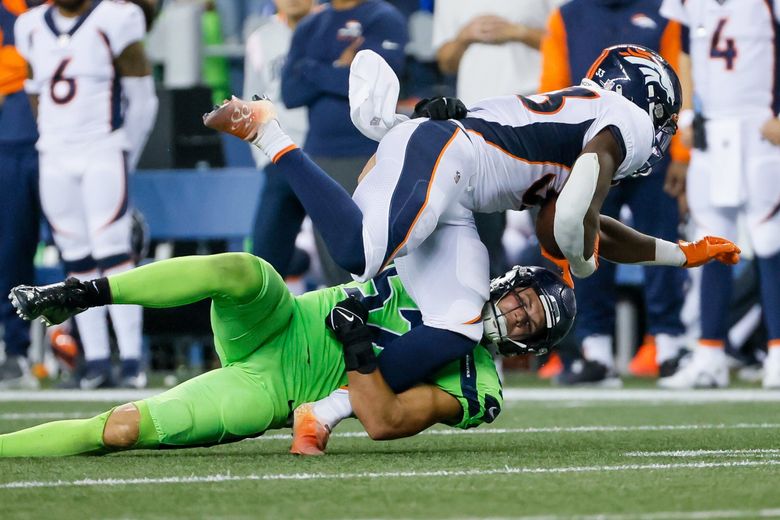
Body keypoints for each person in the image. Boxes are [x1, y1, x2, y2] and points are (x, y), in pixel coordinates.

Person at [203, 45, 741, 402]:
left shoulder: (585, 119)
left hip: (453, 176)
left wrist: (683, 252)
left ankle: (333, 405)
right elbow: (577, 212)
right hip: (446, 156)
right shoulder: (627, 123)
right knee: (360, 253)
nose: (662, 136)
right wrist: (578, 262)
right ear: (649, 99)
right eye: (664, 122)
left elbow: (583, 217)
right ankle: (269, 132)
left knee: (458, 322)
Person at [3, 254, 573, 456]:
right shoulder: (451, 260)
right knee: (244, 271)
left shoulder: (481, 386)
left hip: (273, 389)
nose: (518, 314)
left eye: (531, 322)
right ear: (507, 281)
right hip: (280, 318)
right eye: (523, 300)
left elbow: (386, 420)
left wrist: (356, 346)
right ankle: (83, 293)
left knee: (122, 430)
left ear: (532, 345)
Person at [538, 0, 689, 386]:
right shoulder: (568, 15)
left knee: (662, 236)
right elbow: (552, 85)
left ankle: (668, 345)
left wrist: (682, 153)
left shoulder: (664, 11)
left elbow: (680, 83)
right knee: (584, 238)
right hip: (592, 148)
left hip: (656, 149)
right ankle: (596, 349)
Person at [14, 0, 158, 389]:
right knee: (74, 255)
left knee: (114, 251)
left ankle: (131, 358)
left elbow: (143, 97)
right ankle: (94, 359)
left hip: (102, 147)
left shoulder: (115, 18)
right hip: (55, 154)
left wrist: (126, 150)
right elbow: (34, 92)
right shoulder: (29, 26)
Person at [658, 0, 780, 389]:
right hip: (712, 127)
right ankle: (709, 352)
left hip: (761, 123)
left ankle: (778, 352)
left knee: (770, 238)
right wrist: (688, 113)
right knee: (711, 240)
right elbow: (686, 51)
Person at [279, 0, 407, 285]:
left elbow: (380, 82)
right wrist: (341, 67)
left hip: (368, 153)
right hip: (319, 155)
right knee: (333, 260)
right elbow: (290, 93)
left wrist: (311, 69)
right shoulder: (310, 25)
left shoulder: (382, 16)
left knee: (376, 257)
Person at [433, 0, 556, 279]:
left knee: (554, 233)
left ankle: (562, 312)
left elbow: (569, 41)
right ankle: (488, 316)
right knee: (481, 240)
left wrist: (519, 32)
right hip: (475, 123)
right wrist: (463, 38)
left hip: (535, 117)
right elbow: (445, 61)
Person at [244, 0, 315, 294]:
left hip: (327, 156)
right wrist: (265, 159)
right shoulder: (260, 39)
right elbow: (252, 102)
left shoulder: (335, 27)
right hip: (281, 159)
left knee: (347, 262)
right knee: (264, 265)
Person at [0, 0, 40, 389]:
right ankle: (16, 350)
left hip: (74, 136)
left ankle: (92, 350)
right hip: (11, 135)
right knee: (11, 248)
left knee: (85, 251)